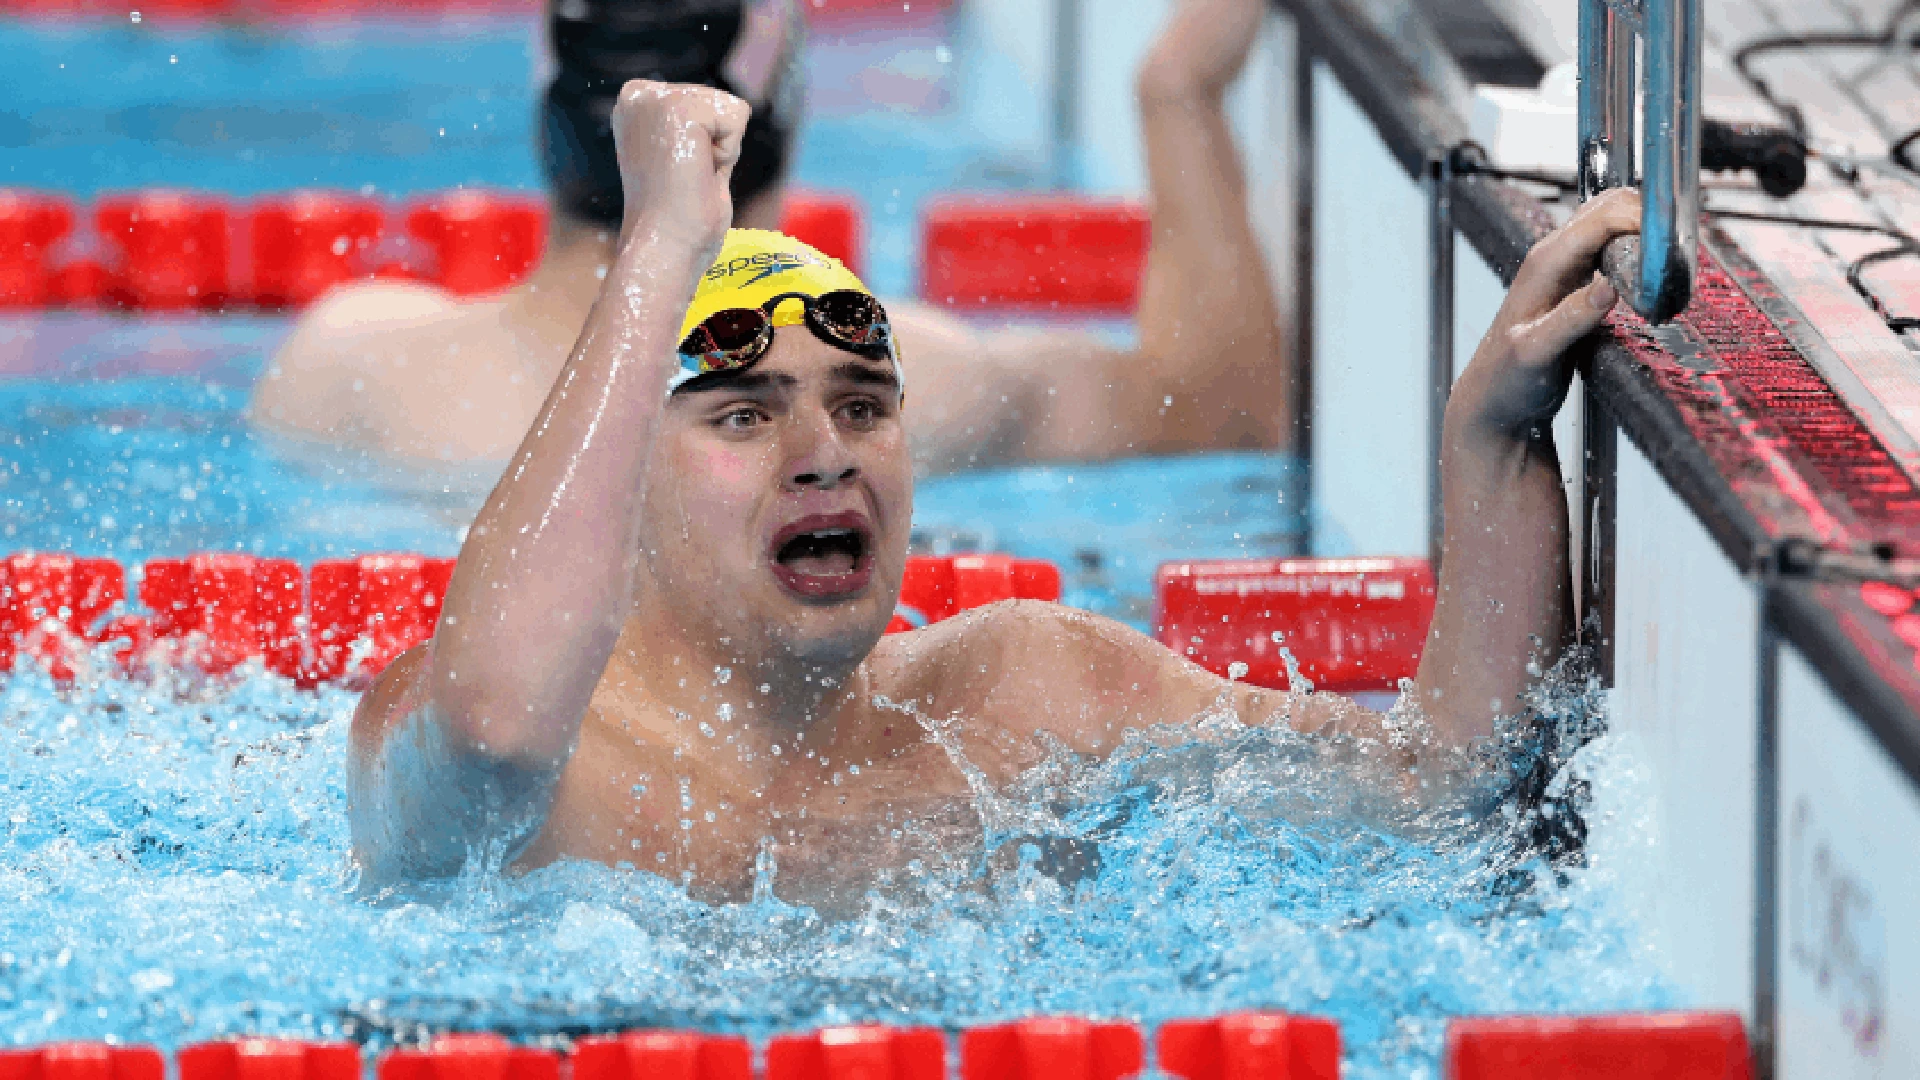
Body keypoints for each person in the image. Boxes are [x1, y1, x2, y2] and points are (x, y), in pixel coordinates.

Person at [346, 72, 1643, 908]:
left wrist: (1492, 442)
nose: (825, 450)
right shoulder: (519, 772)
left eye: (863, 403)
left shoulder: (1035, 697)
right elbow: (499, 721)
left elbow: (1447, 795)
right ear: (621, 478)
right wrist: (664, 240)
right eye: (744, 412)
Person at [250, 0, 1290, 477]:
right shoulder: (890, 387)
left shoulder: (346, 360)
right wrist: (1181, 94)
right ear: (780, 95)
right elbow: (1225, 413)